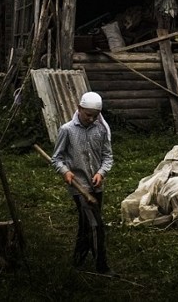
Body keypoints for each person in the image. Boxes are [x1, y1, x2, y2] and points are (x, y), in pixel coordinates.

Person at [51, 91, 114, 275]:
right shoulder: (67, 130)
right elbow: (57, 158)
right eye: (88, 114)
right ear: (79, 109)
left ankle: (78, 261)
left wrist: (101, 173)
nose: (92, 119)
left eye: (95, 115)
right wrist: (65, 171)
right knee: (95, 226)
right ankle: (101, 266)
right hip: (79, 188)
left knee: (85, 224)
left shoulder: (100, 130)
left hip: (96, 186)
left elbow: (107, 156)